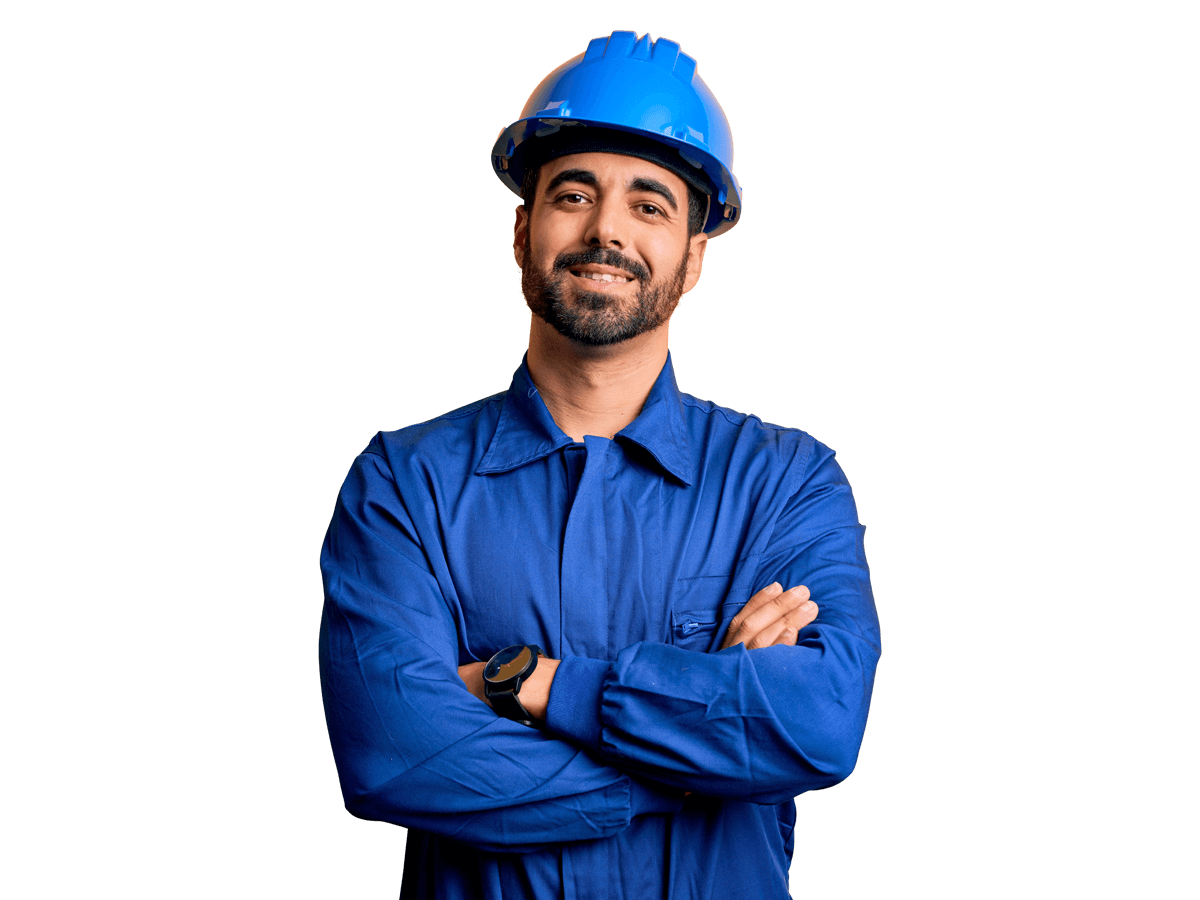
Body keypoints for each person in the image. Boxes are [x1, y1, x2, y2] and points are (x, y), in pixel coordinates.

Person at [319, 30, 880, 899]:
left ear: (693, 258)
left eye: (650, 204)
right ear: (521, 231)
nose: (606, 228)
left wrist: (530, 686)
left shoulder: (789, 482)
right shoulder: (402, 482)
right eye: (573, 193)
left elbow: (820, 728)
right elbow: (396, 755)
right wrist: (701, 756)